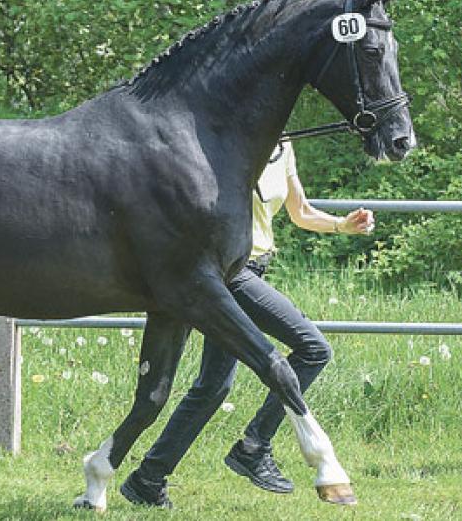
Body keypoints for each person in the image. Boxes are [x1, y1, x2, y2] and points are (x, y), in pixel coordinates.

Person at [120, 139, 375, 508]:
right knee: (313, 348)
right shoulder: (231, 141)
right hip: (231, 274)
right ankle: (254, 446)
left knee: (212, 387)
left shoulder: (283, 147)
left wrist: (342, 225)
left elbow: (300, 210)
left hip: (252, 269)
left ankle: (148, 479)